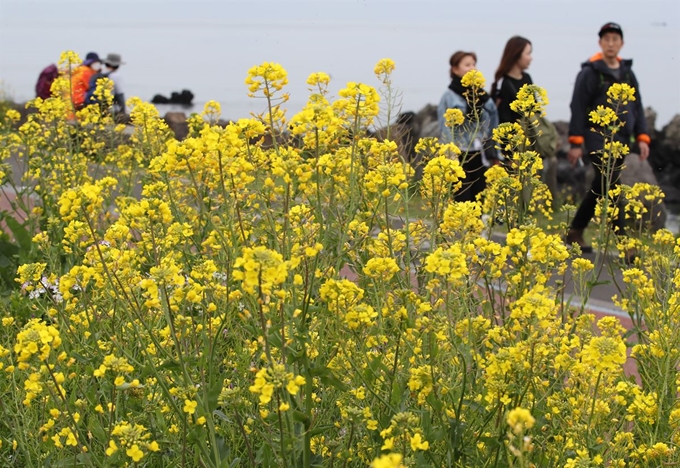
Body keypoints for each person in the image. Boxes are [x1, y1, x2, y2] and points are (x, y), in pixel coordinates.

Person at [565, 22, 650, 256]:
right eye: (606, 39)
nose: (611, 43)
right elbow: (578, 107)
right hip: (596, 136)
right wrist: (575, 142)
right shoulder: (590, 72)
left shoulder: (627, 73)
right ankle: (623, 243)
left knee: (601, 184)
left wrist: (642, 136)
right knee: (611, 183)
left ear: (621, 43)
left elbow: (638, 106)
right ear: (600, 43)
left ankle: (575, 230)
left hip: (621, 137)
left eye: (615, 39)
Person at [492, 36, 559, 203]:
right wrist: (508, 154)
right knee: (511, 195)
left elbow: (535, 111)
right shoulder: (502, 83)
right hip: (514, 148)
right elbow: (501, 120)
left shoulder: (527, 78)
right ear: (516, 54)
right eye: (528, 53)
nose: (531, 58)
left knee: (527, 193)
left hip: (529, 144)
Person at [437, 51, 500, 202]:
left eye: (473, 64)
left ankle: (476, 226)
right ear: (455, 69)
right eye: (467, 65)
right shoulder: (449, 96)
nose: (472, 68)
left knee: (479, 199)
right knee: (461, 198)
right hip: (459, 154)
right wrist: (450, 155)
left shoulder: (482, 95)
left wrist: (494, 150)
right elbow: (445, 127)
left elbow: (493, 120)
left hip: (480, 152)